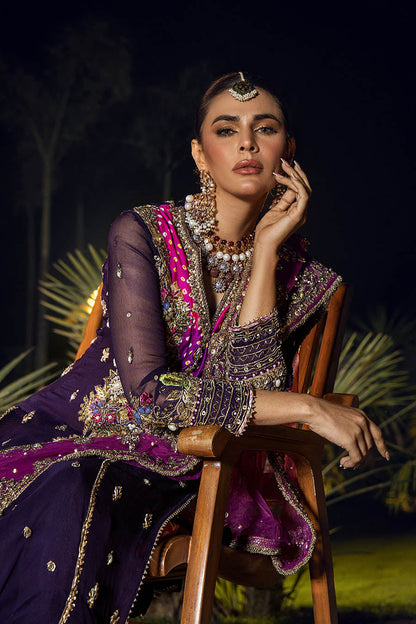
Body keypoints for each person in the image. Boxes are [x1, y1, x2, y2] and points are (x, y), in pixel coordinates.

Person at [0, 72, 387, 622]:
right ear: (200, 155)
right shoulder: (142, 232)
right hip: (77, 432)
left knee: (77, 484)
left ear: (288, 151)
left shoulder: (306, 282)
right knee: (69, 480)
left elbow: (248, 398)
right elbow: (151, 396)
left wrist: (265, 254)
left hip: (199, 464)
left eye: (265, 128)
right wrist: (309, 407)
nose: (247, 143)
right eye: (226, 130)